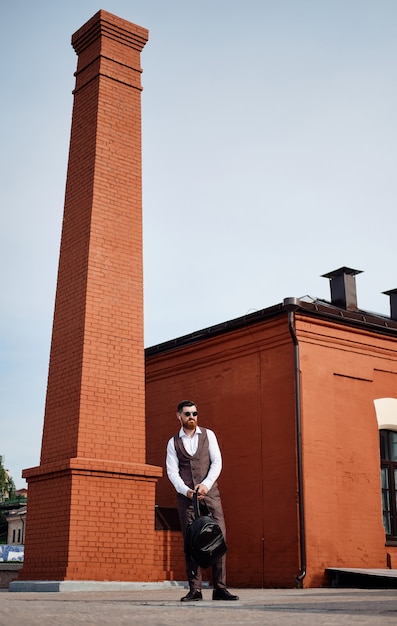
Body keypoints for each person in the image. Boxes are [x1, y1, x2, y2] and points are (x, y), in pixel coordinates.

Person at [166, 400, 239, 602]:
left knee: (219, 536)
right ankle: (195, 590)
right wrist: (187, 491)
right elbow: (172, 472)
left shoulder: (209, 435)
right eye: (187, 413)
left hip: (210, 493)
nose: (192, 417)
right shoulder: (173, 443)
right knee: (192, 542)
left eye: (195, 413)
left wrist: (205, 485)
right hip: (186, 498)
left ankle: (220, 588)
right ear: (179, 416)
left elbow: (217, 462)